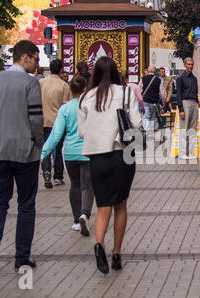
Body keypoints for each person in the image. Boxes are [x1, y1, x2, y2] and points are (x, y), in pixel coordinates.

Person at [0, 40, 43, 275]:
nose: (36, 65)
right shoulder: (30, 83)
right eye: (35, 59)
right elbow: (36, 119)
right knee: (26, 204)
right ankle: (22, 258)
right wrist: (39, 144)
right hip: (24, 153)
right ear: (24, 57)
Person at [78, 56, 141, 274]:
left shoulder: (86, 97)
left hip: (97, 157)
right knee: (121, 205)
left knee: (102, 205)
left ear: (94, 73)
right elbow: (138, 123)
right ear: (115, 72)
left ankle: (99, 244)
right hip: (122, 155)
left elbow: (81, 131)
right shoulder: (125, 92)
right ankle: (116, 253)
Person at [41, 75, 94, 236]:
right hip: (88, 152)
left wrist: (44, 152)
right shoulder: (91, 106)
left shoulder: (64, 109)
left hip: (70, 153)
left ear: (70, 90)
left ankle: (77, 221)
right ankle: (85, 213)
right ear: (85, 89)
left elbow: (56, 135)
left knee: (75, 186)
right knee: (87, 186)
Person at [39, 59, 72, 188]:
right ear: (60, 70)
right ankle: (58, 176)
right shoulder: (64, 85)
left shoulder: (41, 83)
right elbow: (66, 106)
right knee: (58, 150)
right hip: (58, 122)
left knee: (45, 147)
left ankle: (46, 171)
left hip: (43, 121)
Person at [176, 57, 199, 159]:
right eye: (188, 64)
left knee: (192, 129)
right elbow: (178, 94)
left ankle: (190, 152)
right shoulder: (180, 78)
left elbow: (196, 92)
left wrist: (198, 103)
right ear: (185, 65)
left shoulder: (194, 78)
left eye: (192, 64)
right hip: (185, 103)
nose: (190, 66)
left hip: (194, 103)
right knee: (184, 129)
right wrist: (181, 109)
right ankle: (182, 153)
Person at [141, 65, 161, 139]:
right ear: (155, 71)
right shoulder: (158, 80)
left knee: (146, 117)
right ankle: (150, 135)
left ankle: (147, 133)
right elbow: (162, 91)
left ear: (148, 71)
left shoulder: (143, 79)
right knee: (152, 118)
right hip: (154, 102)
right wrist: (163, 100)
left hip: (145, 101)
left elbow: (140, 89)